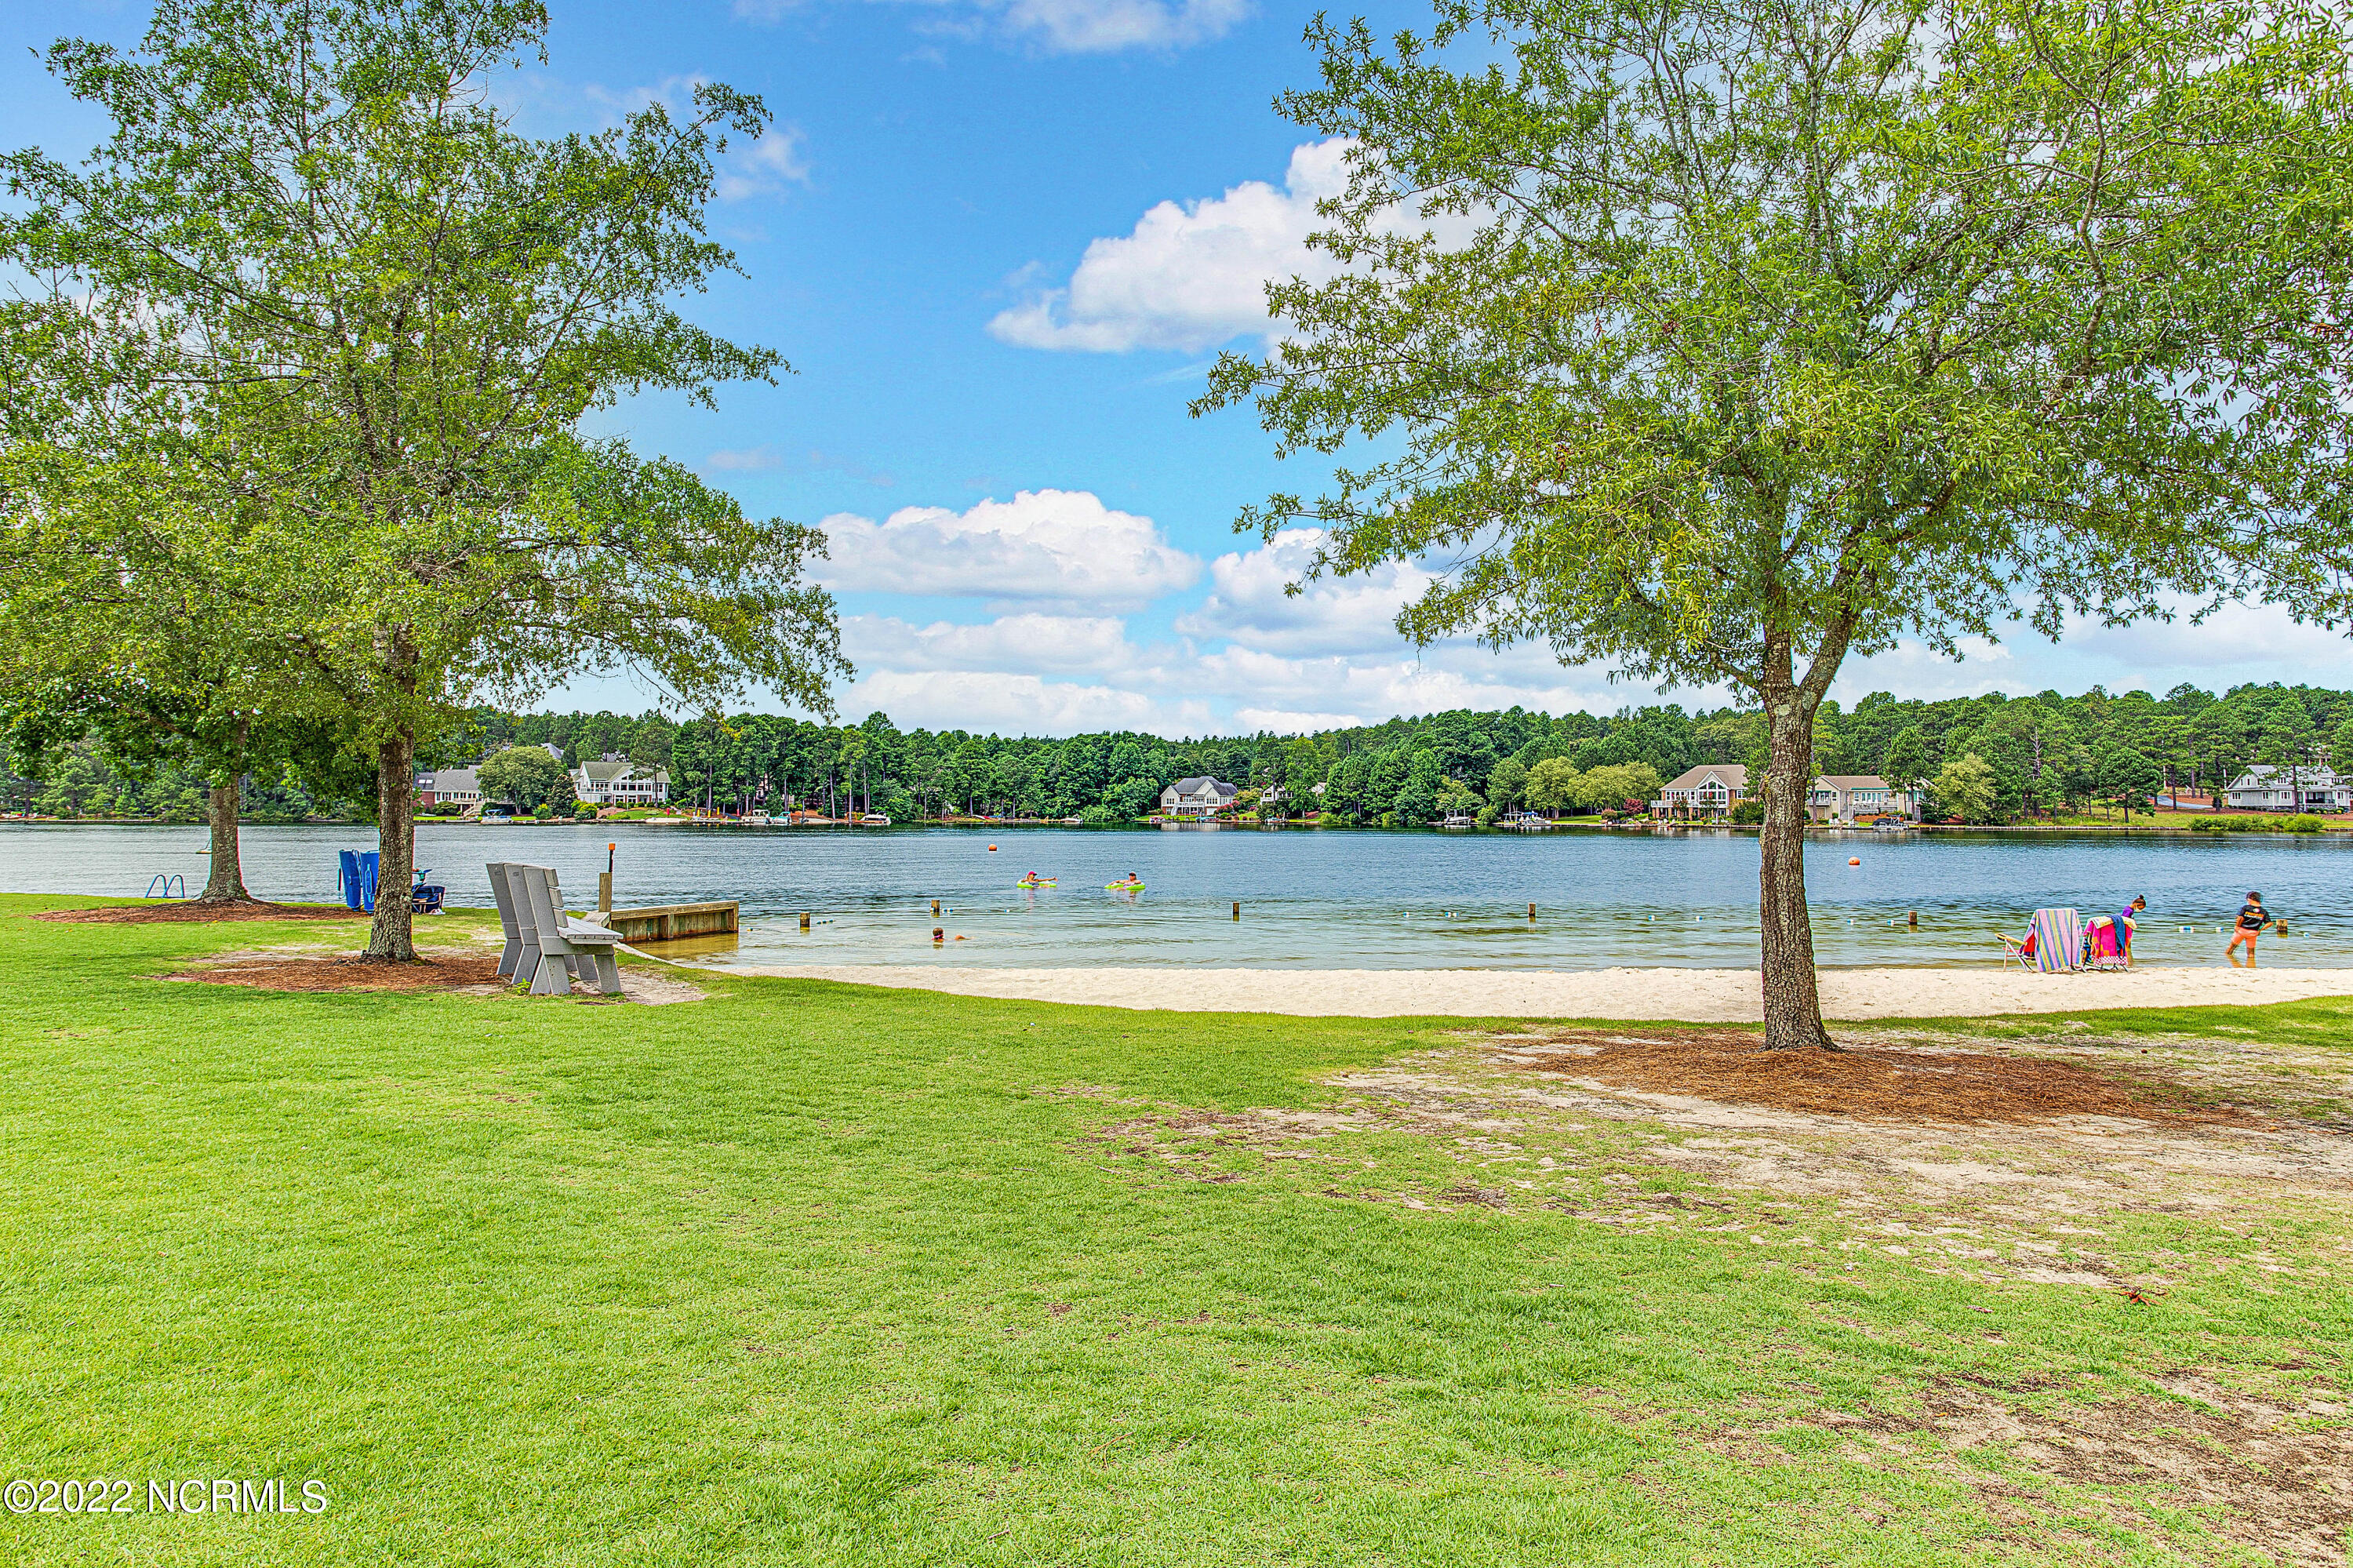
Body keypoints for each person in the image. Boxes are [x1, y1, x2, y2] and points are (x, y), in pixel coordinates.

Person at [2228, 891, 2271, 966]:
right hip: (2253, 933)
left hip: (2241, 931)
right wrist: (2260, 930)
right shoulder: (2264, 911)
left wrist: (2237, 927)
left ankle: (2231, 962)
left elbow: (2240, 918)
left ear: (2249, 899)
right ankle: (2251, 966)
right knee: (2251, 953)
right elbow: (2269, 923)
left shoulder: (2245, 908)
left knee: (2231, 949)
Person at [2116, 895, 2146, 966]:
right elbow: (2125, 921)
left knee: (2128, 947)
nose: (2139, 910)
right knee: (2127, 947)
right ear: (2136, 904)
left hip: (2128, 930)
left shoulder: (2130, 910)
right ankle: (2128, 961)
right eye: (2140, 908)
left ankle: (2129, 961)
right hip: (2125, 930)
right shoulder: (2128, 910)